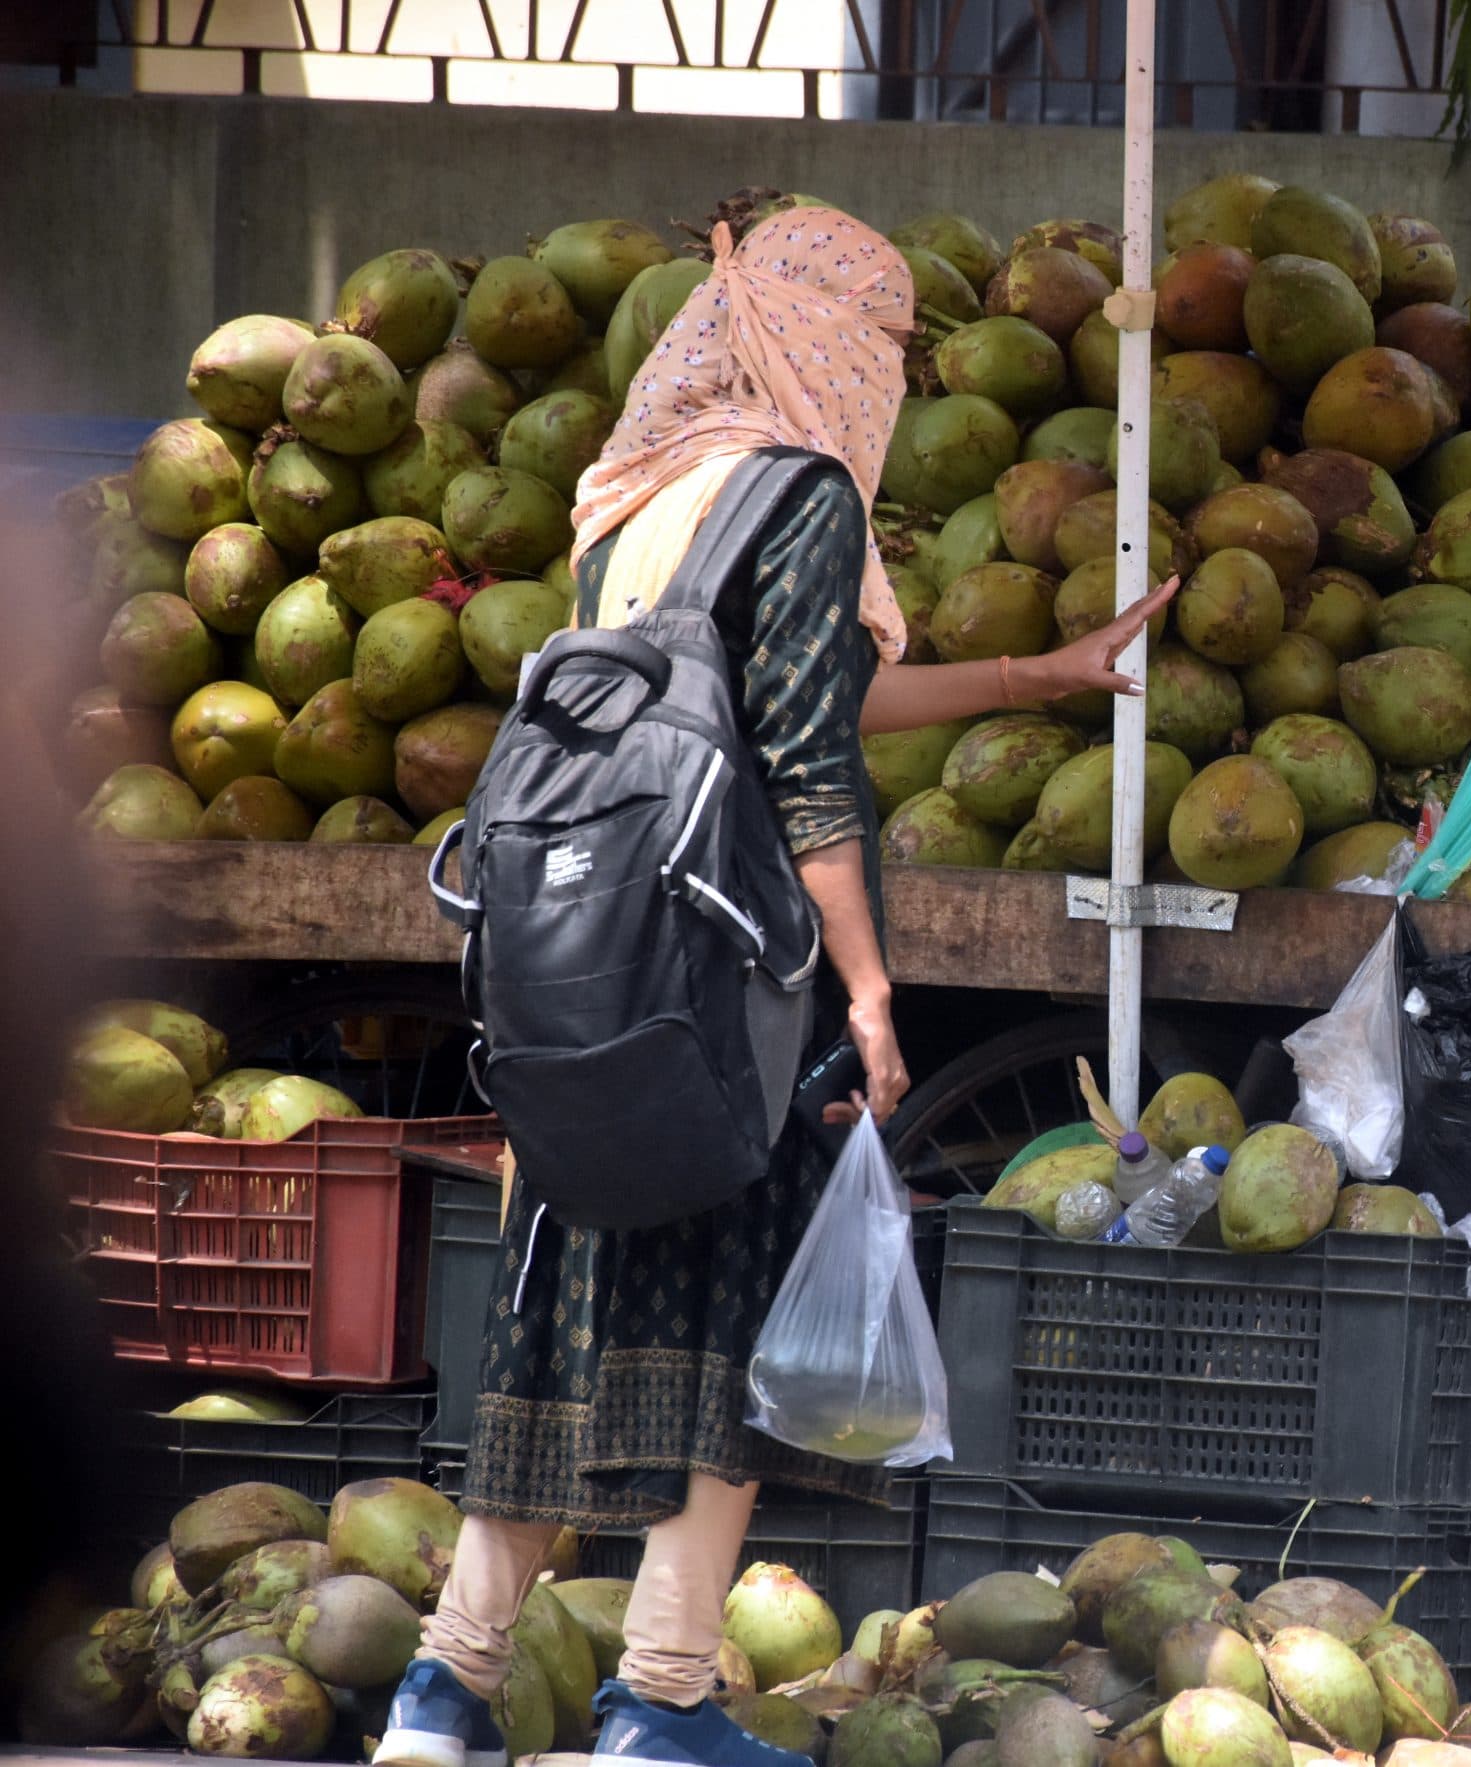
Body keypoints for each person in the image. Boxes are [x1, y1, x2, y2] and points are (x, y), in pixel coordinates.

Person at [375, 199, 1175, 1767]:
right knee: (730, 1327)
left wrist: (1034, 676)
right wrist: (869, 990)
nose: (882, 383)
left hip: (581, 973)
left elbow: (765, 696)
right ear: (819, 345)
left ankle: (444, 1688)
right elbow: (804, 758)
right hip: (722, 983)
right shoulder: (801, 494)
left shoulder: (640, 492)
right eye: (877, 347)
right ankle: (665, 1699)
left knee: (561, 1324)